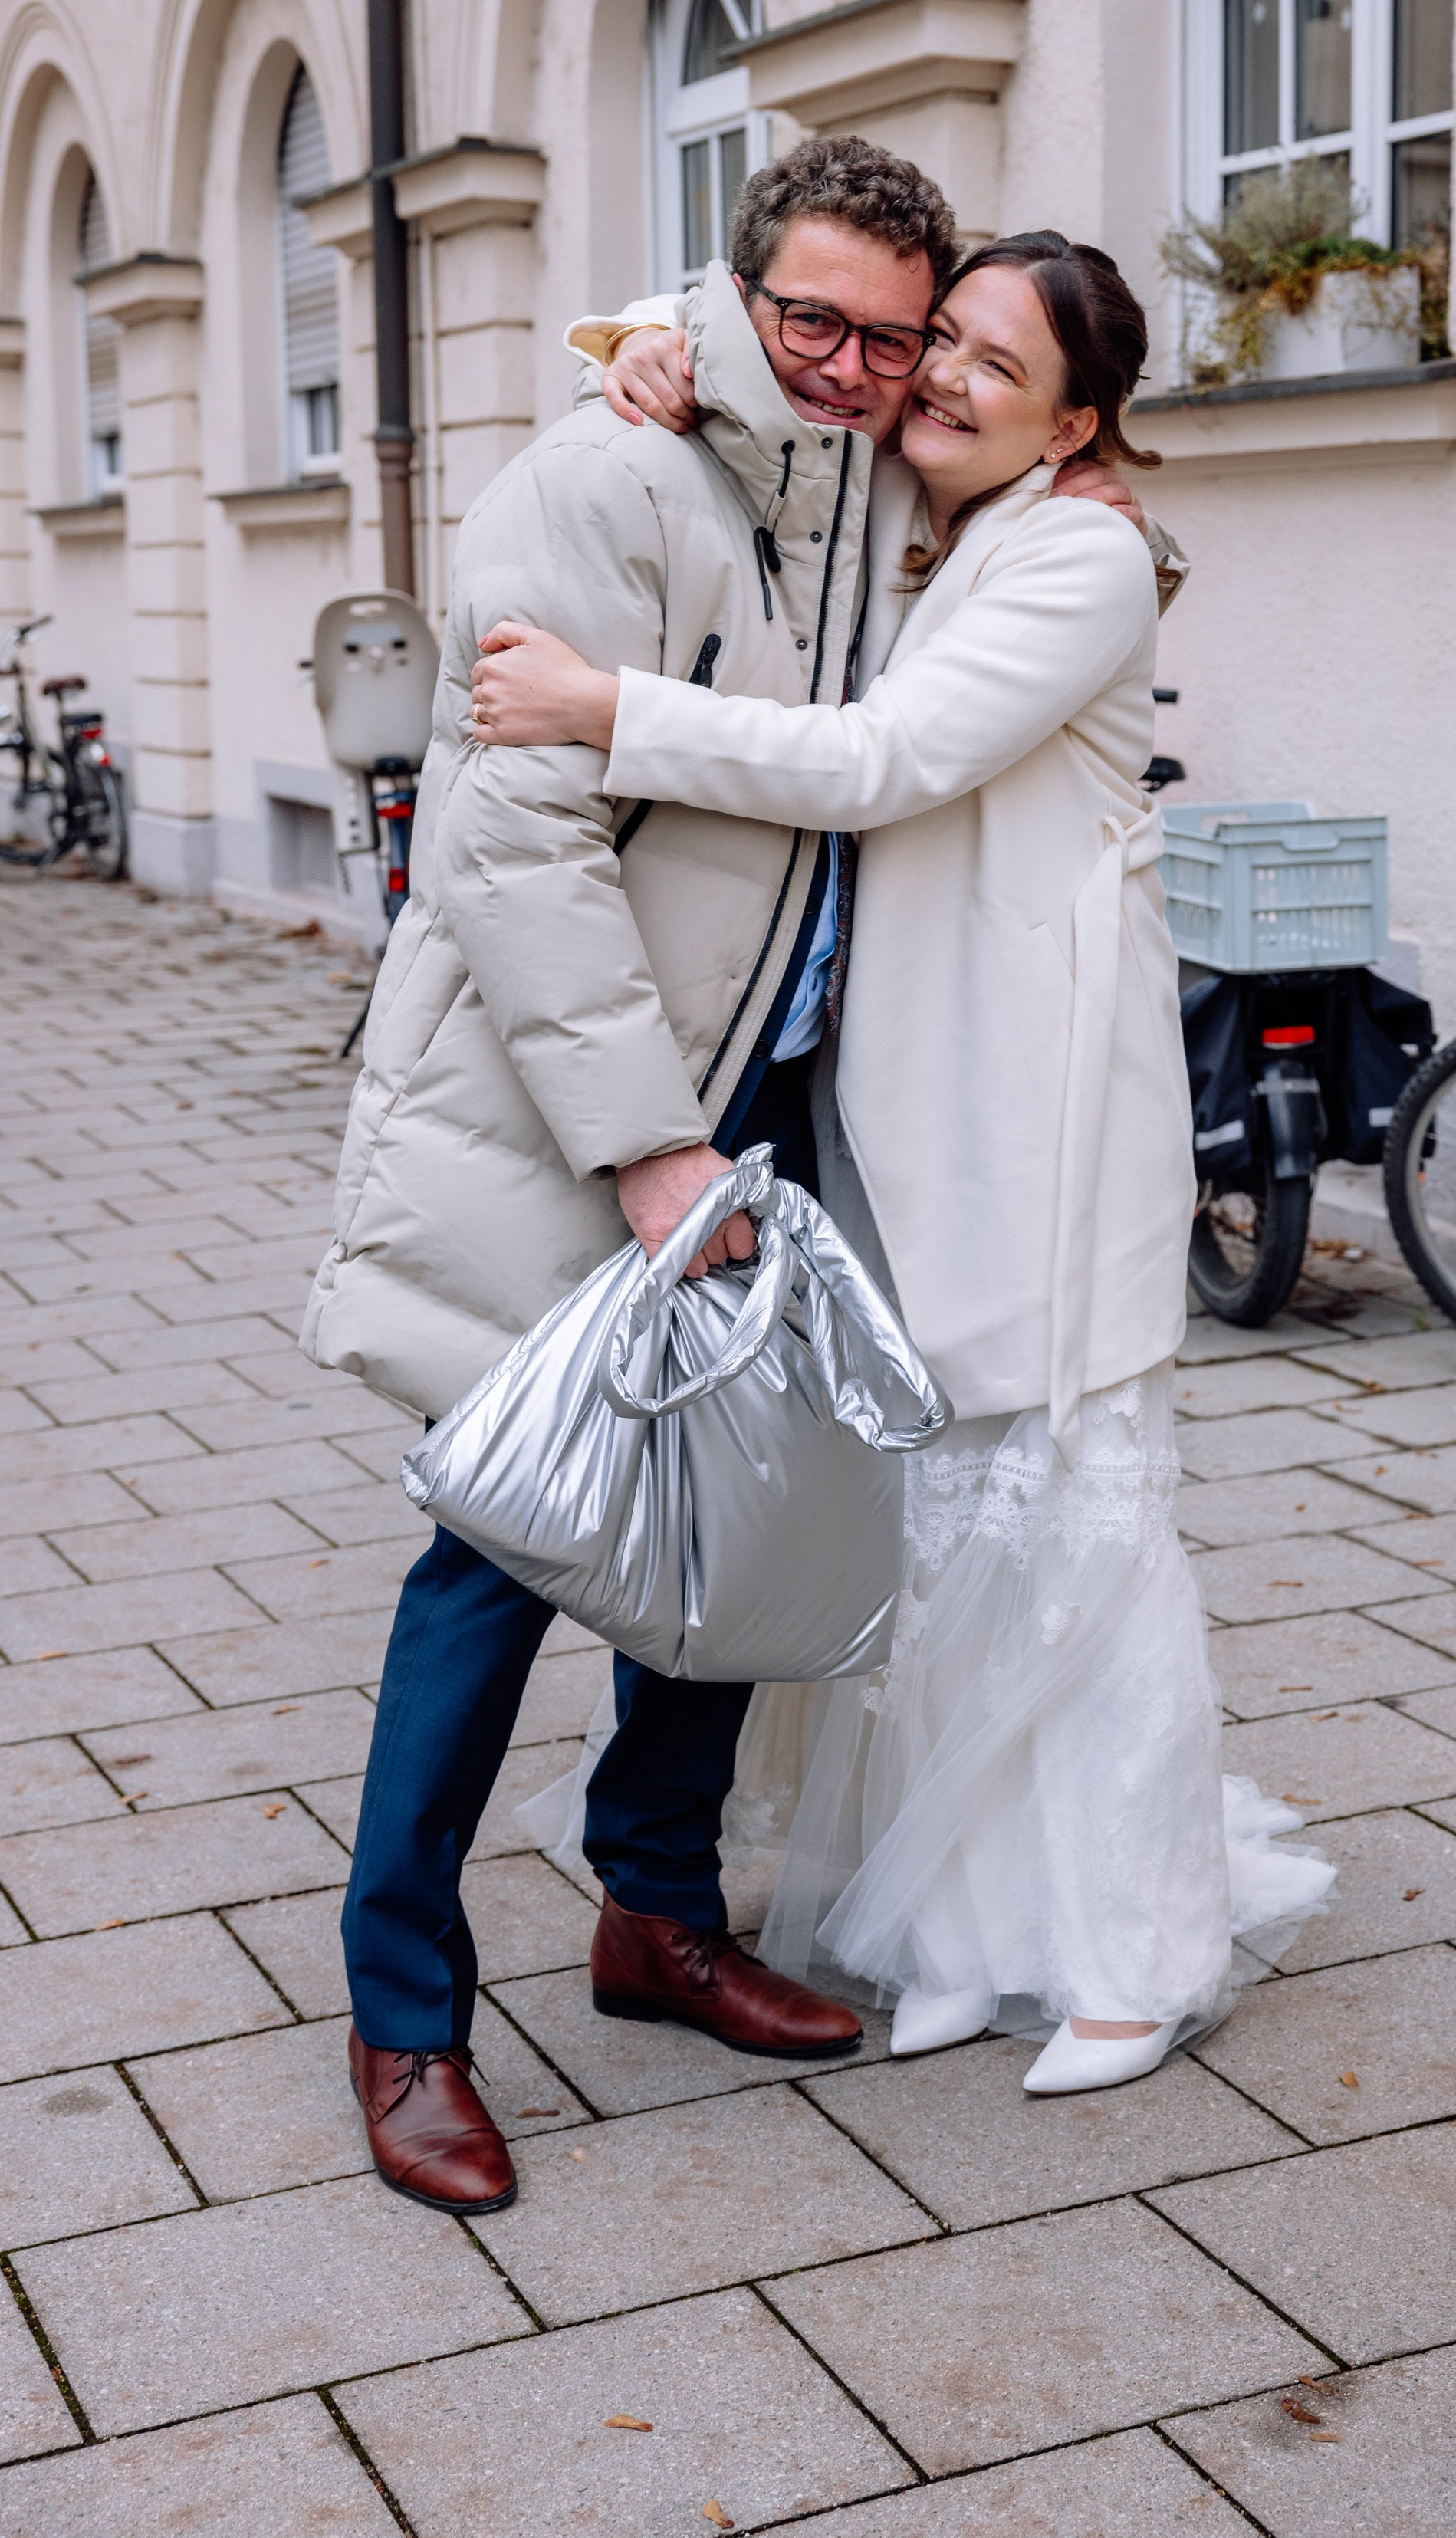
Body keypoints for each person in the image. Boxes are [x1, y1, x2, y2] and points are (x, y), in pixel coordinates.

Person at [301, 138, 1168, 2213]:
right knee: (506, 1548)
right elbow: (514, 850)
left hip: (772, 1107)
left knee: (729, 1537)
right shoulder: (604, 478)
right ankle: (403, 2012)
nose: (862, 364)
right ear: (736, 290)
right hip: (589, 1114)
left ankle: (657, 1915)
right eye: (813, 320)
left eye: (898, 328)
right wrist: (649, 1145)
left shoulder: (877, 484)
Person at [468, 232, 1335, 2095]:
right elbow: (748, 362)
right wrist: (646, 364)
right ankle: (971, 1926)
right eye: (936, 337)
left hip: (1035, 1105)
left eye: (984, 363)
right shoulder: (950, 510)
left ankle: (1137, 1942)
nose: (929, 377)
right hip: (911, 1091)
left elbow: (883, 757)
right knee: (944, 1527)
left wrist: (605, 706)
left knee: (1073, 1509)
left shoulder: (1085, 553)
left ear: (1078, 418)